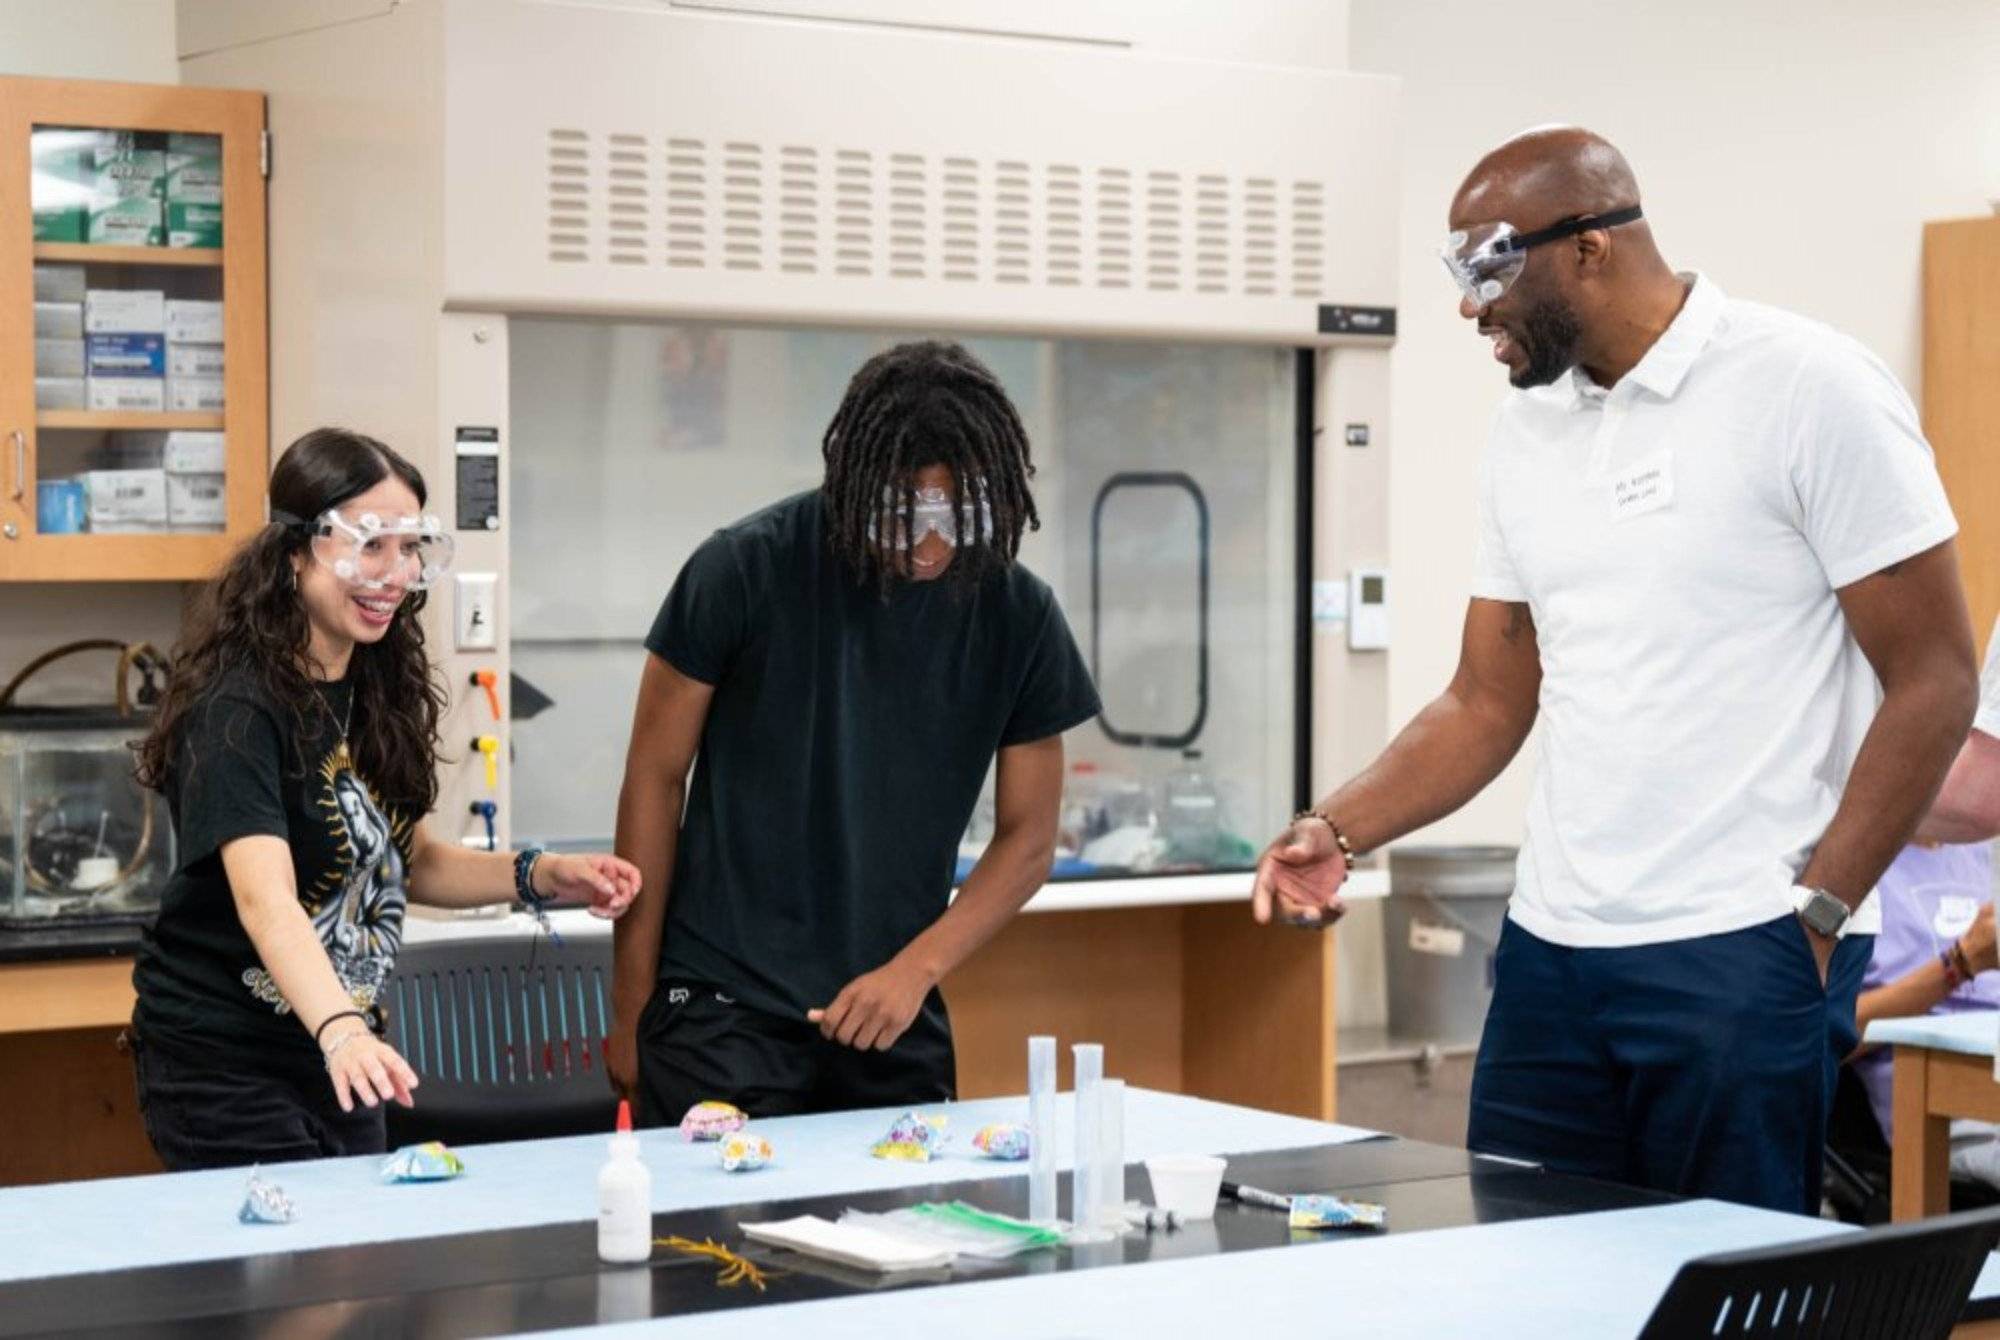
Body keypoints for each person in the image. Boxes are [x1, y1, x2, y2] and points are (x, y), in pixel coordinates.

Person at [1249, 127, 1979, 1214]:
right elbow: (1484, 698)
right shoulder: (1524, 432)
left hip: (1743, 944)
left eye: (1488, 264)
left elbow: (1934, 675)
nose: (1468, 302)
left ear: (1588, 245)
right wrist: (1337, 824)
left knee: (1720, 1291)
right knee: (1528, 1281)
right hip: (1552, 952)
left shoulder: (1805, 386)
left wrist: (1819, 909)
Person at [610, 339, 1100, 1126]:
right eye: (901, 516)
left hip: (888, 1012)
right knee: (720, 1250)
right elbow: (654, 780)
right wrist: (631, 1007)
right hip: (719, 1008)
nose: (929, 546)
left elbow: (1029, 839)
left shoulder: (1019, 614)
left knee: (908, 1241)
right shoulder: (743, 569)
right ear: (853, 486)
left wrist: (915, 972)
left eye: (958, 517)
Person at [130, 428, 641, 1171]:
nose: (394, 573)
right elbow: (265, 901)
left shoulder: (375, 688)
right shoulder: (236, 709)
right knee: (291, 1271)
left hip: (345, 1050)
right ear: (297, 549)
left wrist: (544, 874)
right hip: (227, 1057)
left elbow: (416, 863)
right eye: (372, 545)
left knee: (352, 1269)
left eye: (410, 549)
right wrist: (341, 1029)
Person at [1850, 618, 2000, 1187]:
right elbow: (1834, 1036)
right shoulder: (1854, 862)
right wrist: (1960, 964)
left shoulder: (1982, 844)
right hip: (1944, 1111)